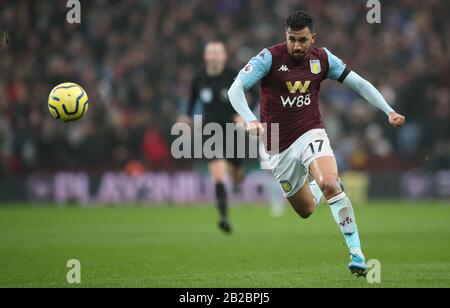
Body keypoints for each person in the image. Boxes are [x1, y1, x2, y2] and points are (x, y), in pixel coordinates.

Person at [227, 10, 405, 276]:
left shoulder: (323, 58)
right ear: (285, 36)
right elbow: (235, 89)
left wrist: (388, 110)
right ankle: (321, 186)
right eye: (292, 39)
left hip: (311, 132)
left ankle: (356, 253)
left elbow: (359, 84)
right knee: (306, 209)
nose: (297, 46)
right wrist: (251, 119)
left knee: (329, 183)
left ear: (313, 38)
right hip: (277, 145)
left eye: (302, 40)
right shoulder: (269, 58)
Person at [178, 41, 247, 234]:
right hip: (210, 132)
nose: (215, 56)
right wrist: (186, 116)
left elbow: (254, 95)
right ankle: (224, 217)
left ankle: (237, 175)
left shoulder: (233, 75)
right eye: (212, 52)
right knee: (218, 175)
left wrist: (243, 114)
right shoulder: (198, 78)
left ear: (225, 56)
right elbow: (192, 100)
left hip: (233, 131)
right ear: (206, 56)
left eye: (218, 52)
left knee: (236, 174)